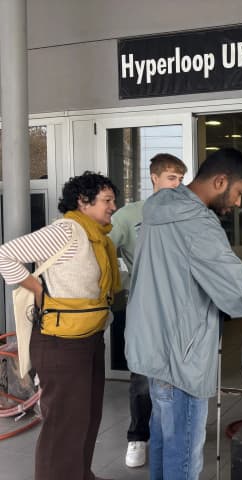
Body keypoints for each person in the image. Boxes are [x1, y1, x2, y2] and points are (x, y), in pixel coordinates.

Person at [125, 148, 242, 480]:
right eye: (239, 193)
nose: (238, 203)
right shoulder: (197, 222)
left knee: (165, 442)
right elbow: (235, 287)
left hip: (153, 350)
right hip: (181, 357)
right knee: (183, 457)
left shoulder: (157, 208)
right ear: (220, 180)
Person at [0, 172, 120, 480]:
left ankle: (81, 474)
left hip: (89, 338)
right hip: (60, 342)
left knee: (87, 417)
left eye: (113, 201)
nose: (112, 207)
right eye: (107, 200)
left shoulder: (97, 236)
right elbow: (4, 255)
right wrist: (38, 290)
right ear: (82, 201)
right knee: (64, 424)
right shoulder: (67, 231)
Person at [108, 153, 187, 468]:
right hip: (144, 310)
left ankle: (173, 434)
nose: (176, 184)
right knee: (142, 376)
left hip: (181, 309)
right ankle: (138, 437)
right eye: (171, 178)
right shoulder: (129, 215)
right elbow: (101, 251)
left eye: (180, 179)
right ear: (154, 177)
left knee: (179, 376)